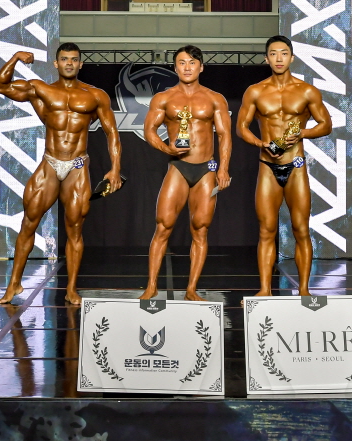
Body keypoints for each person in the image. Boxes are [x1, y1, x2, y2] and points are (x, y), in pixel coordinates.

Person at [0, 44, 122, 306]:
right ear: (56, 63)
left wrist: (116, 168)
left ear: (80, 64)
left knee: (75, 229)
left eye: (74, 59)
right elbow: (1, 86)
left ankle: (71, 289)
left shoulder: (95, 95)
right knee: (29, 223)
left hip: (77, 166)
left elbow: (112, 132)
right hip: (50, 163)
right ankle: (14, 283)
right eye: (64, 59)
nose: (69, 63)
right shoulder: (41, 89)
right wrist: (15, 58)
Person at [236, 35, 333, 296]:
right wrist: (260, 143)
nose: (279, 58)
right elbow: (241, 127)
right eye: (273, 54)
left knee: (301, 229)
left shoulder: (307, 91)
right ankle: (264, 291)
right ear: (266, 58)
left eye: (283, 53)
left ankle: (304, 291)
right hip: (267, 165)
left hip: (296, 165)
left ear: (291, 57)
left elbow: (326, 124)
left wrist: (302, 133)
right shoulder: (255, 91)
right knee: (266, 230)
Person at [139, 45, 232, 301]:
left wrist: (224, 168)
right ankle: (151, 286)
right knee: (163, 226)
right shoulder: (164, 98)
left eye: (192, 62)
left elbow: (224, 135)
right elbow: (149, 131)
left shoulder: (215, 99)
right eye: (182, 62)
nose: (187, 67)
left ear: (201, 67)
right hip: (178, 166)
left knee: (200, 229)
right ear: (175, 67)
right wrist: (166, 147)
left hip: (206, 169)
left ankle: (191, 289)